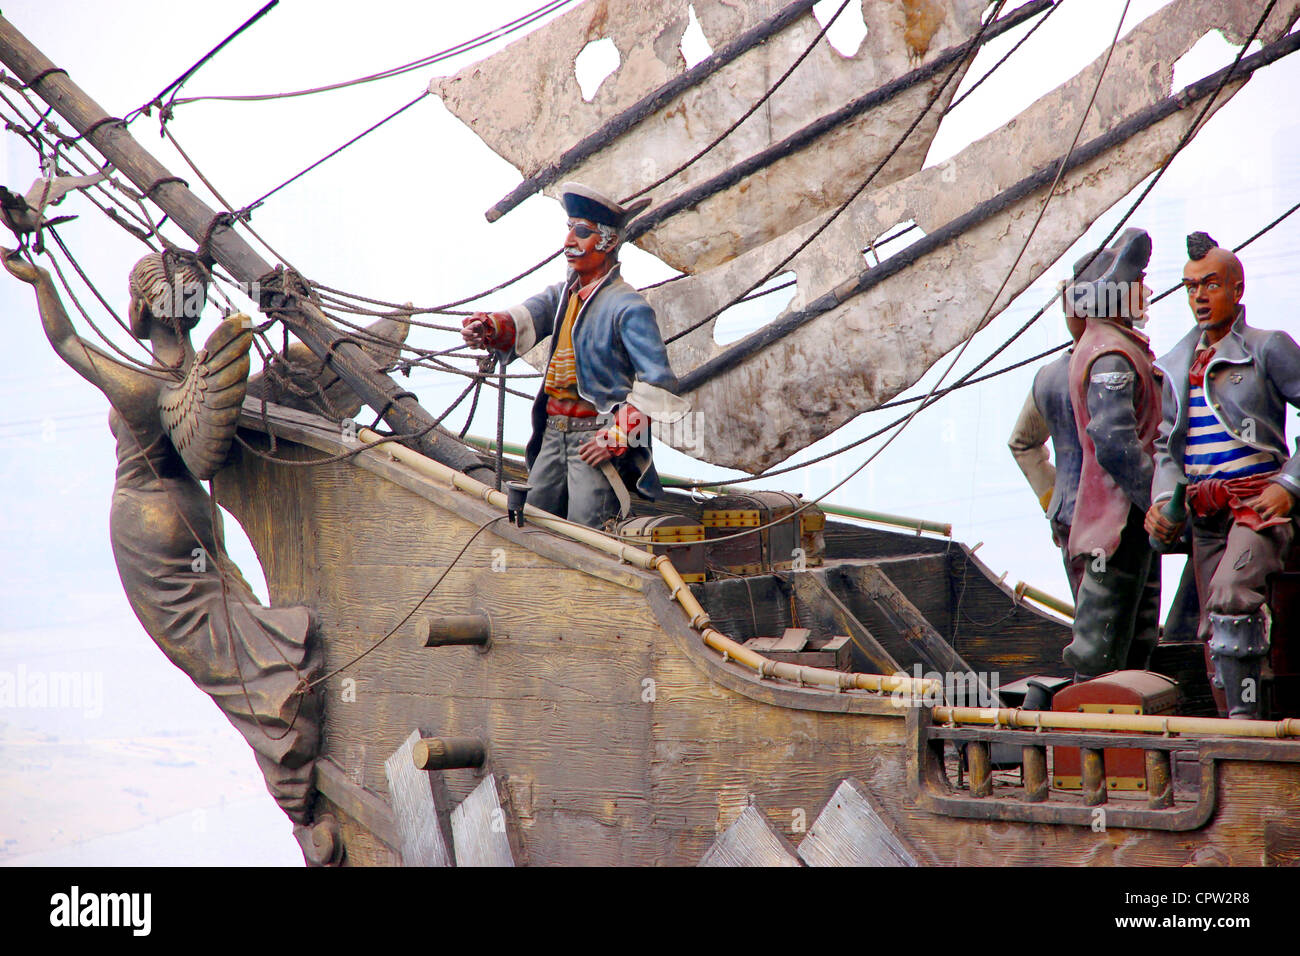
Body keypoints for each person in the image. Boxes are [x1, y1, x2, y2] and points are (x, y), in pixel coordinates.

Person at [2, 247, 336, 863]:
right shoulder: (192, 380)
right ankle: (288, 708)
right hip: (197, 518)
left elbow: (66, 339)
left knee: (213, 655)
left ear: (138, 308)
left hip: (148, 528)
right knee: (228, 621)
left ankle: (288, 736)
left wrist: (41, 278)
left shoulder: (140, 384)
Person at [463, 182, 688, 528]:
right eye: (569, 230)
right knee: (528, 521)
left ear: (609, 241)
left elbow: (659, 384)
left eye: (581, 232)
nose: (568, 242)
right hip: (552, 434)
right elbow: (525, 316)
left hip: (593, 438)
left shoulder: (628, 307)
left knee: (587, 531)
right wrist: (488, 327)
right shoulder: (563, 296)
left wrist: (615, 437)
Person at [1146, 232, 1300, 719]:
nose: (1199, 297)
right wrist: (1163, 500)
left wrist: (1289, 485)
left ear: (1237, 289)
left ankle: (1246, 729)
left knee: (1232, 598)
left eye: (1210, 285)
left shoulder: (1266, 349)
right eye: (1190, 288)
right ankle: (1230, 731)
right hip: (1205, 512)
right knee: (1213, 627)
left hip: (1256, 507)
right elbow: (1165, 444)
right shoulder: (1176, 364)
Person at [1061, 228, 1161, 681]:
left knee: (1134, 644)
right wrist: (1159, 500)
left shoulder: (1114, 348)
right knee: (1100, 653)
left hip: (1128, 526)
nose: (1146, 291)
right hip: (1116, 526)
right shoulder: (1111, 357)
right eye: (1138, 281)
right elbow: (1116, 444)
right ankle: (1088, 736)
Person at [1008, 264, 1089, 599]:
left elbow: (1022, 443)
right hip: (1093, 522)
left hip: (1072, 517)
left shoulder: (1049, 376)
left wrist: (1054, 499)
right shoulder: (1053, 378)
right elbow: (1023, 443)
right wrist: (1052, 497)